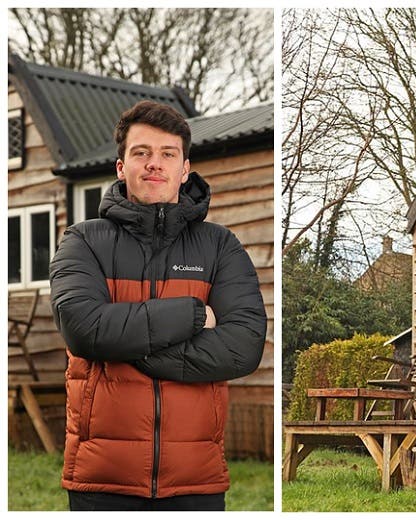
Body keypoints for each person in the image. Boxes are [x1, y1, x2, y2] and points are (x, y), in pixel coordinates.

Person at [49, 100, 267, 511]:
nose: (155, 164)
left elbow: (244, 344)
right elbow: (84, 329)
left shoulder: (219, 246)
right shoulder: (82, 241)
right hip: (102, 480)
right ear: (120, 166)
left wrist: (130, 349)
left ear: (185, 169)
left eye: (168, 154)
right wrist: (195, 315)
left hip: (195, 481)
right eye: (141, 153)